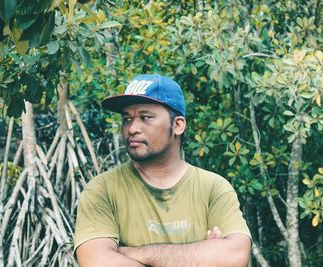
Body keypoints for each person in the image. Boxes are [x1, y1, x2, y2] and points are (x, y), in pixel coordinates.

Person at [74, 74, 251, 266]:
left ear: (177, 125)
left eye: (145, 117)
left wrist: (134, 254)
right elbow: (96, 261)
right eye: (127, 119)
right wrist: (201, 257)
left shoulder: (212, 188)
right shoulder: (102, 190)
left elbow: (236, 256)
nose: (132, 128)